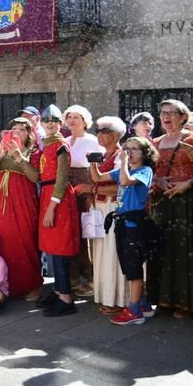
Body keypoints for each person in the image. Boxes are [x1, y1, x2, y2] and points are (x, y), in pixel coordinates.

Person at [151, 99, 193, 318]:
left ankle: (188, 303)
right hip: (163, 202)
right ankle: (166, 300)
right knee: (166, 249)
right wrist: (158, 181)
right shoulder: (155, 142)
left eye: (171, 113)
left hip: (188, 202)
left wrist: (188, 184)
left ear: (183, 117)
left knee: (187, 252)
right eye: (162, 113)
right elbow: (147, 171)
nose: (166, 117)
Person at [91, 135, 157, 326]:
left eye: (134, 148)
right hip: (122, 223)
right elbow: (97, 178)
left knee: (134, 267)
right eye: (127, 147)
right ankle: (143, 304)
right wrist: (94, 162)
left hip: (135, 225)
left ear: (145, 153)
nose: (128, 151)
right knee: (128, 264)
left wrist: (124, 161)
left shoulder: (145, 170)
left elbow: (127, 182)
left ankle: (134, 310)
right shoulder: (123, 169)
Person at [0, 117, 42, 300]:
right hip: (1, 204)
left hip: (23, 202)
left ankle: (32, 285)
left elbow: (34, 177)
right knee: (3, 242)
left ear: (29, 133)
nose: (17, 132)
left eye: (22, 129)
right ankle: (6, 284)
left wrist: (19, 158)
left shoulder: (35, 152)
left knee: (25, 240)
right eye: (13, 129)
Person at [34, 105, 80, 317]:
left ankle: (66, 298)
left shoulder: (60, 145)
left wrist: (52, 207)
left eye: (54, 120)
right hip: (47, 194)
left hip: (57, 198)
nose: (50, 123)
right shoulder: (46, 144)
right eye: (46, 120)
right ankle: (58, 289)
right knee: (51, 247)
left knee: (60, 248)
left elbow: (62, 178)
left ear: (60, 124)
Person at [89, 116, 128, 314]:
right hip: (99, 209)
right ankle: (106, 295)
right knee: (102, 252)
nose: (99, 135)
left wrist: (92, 189)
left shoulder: (122, 156)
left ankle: (119, 298)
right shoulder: (101, 156)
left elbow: (121, 187)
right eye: (98, 131)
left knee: (113, 252)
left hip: (114, 209)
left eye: (104, 131)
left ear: (116, 135)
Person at [64, 105, 102, 297]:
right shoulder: (64, 141)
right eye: (69, 117)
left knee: (89, 233)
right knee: (72, 234)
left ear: (85, 121)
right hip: (67, 190)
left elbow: (99, 167)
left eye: (76, 117)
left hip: (86, 190)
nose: (72, 120)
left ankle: (93, 279)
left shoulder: (93, 141)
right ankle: (74, 278)